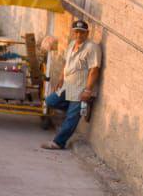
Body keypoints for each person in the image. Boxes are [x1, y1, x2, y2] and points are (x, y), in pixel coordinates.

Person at [41, 20, 102, 152]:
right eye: (77, 32)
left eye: (82, 32)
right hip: (67, 85)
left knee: (71, 117)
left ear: (87, 33)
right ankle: (78, 109)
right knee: (50, 101)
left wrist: (88, 90)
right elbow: (66, 63)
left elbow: (94, 70)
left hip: (80, 88)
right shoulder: (71, 44)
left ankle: (58, 143)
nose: (79, 35)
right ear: (73, 32)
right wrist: (62, 79)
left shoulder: (92, 47)